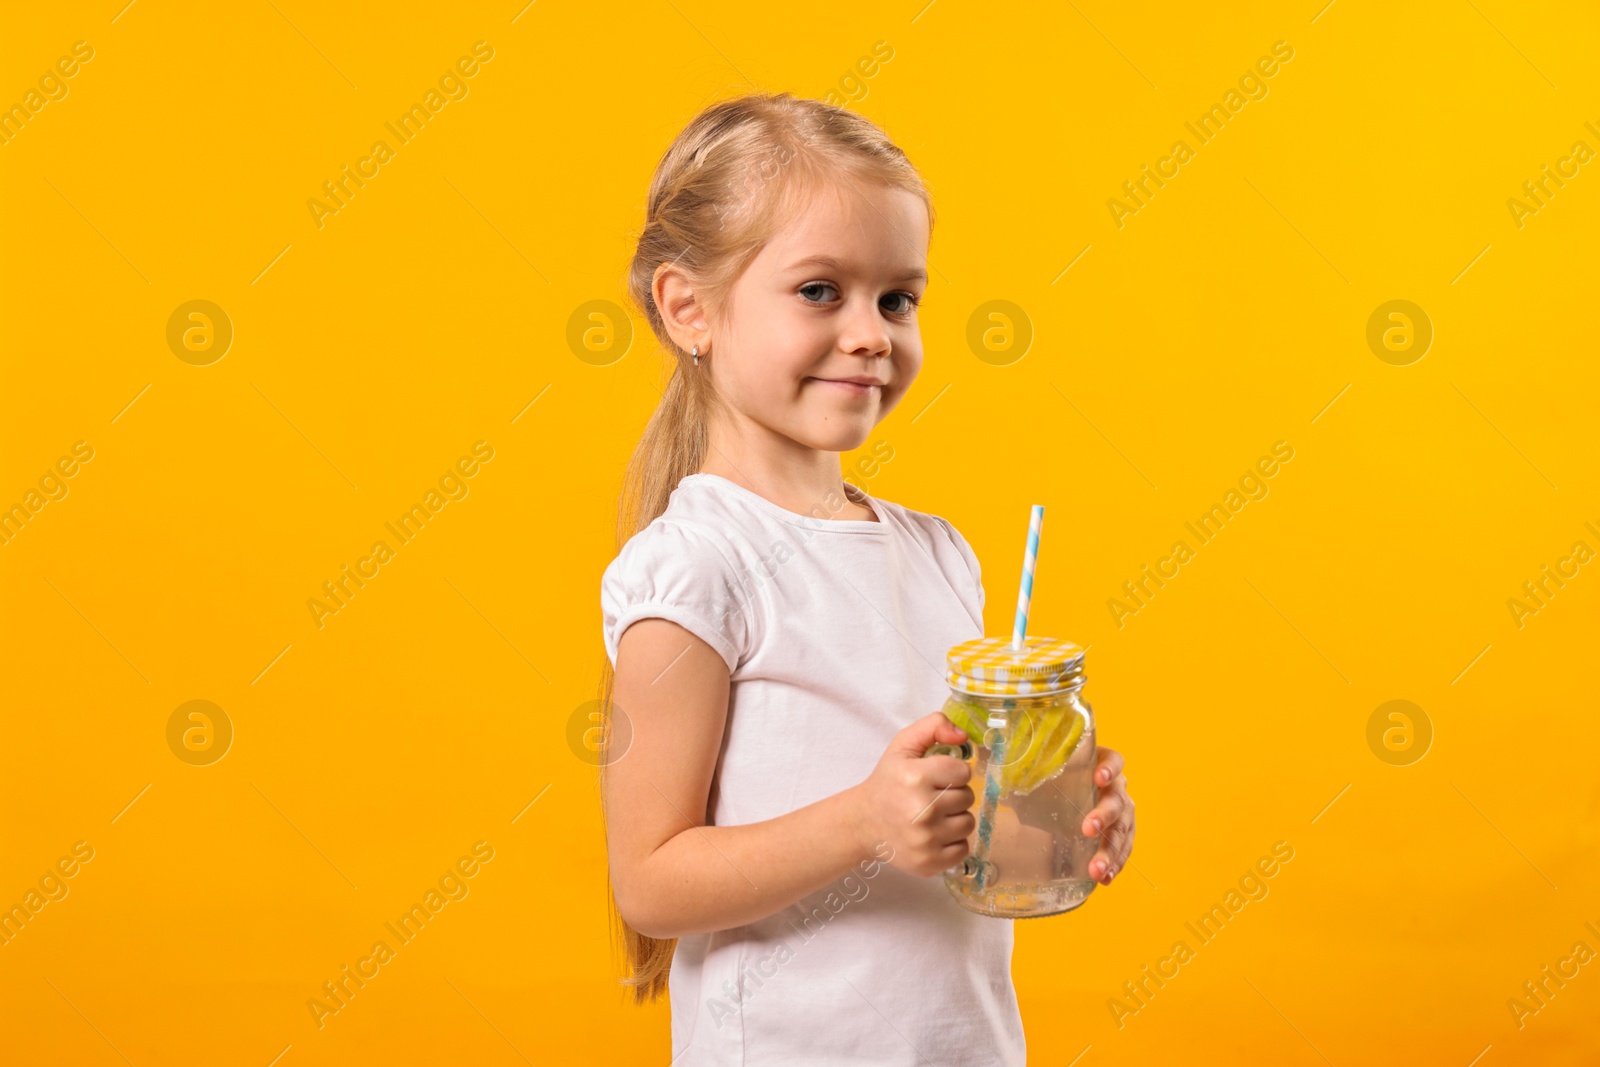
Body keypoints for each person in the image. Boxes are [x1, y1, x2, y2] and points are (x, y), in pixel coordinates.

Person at [597, 91, 1136, 1065]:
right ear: (690, 309)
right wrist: (862, 820)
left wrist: (1055, 809)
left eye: (898, 298)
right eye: (819, 291)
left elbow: (960, 819)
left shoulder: (940, 552)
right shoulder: (695, 568)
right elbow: (650, 879)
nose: (871, 333)